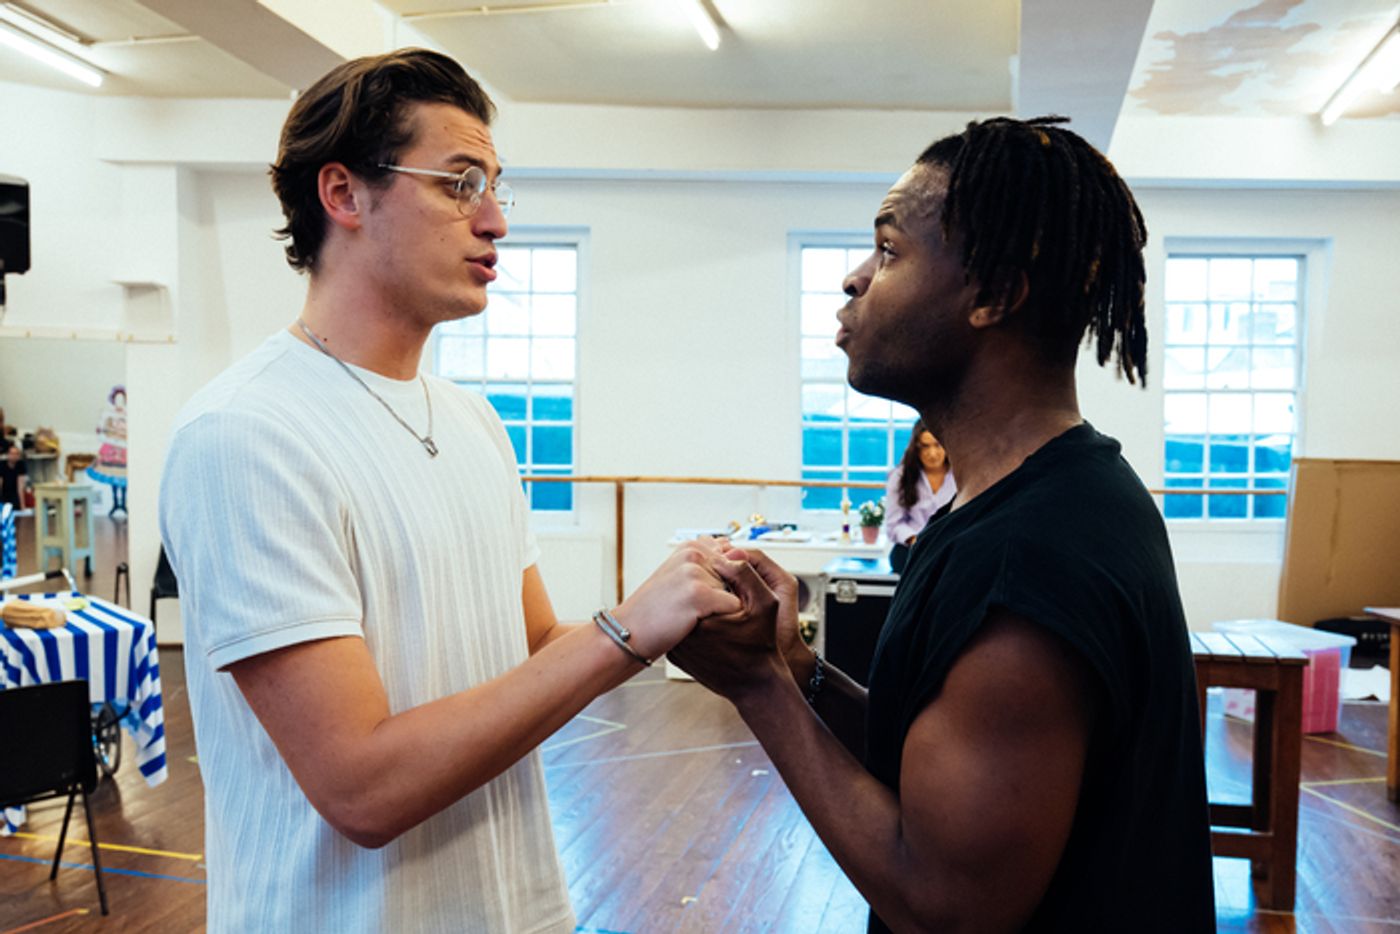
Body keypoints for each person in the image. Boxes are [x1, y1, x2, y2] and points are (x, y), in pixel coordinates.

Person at [159, 49, 743, 933]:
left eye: (497, 187)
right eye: (461, 184)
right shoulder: (246, 434)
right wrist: (626, 632)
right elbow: (363, 786)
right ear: (345, 194)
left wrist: (690, 613)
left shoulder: (474, 423)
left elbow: (539, 643)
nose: (498, 221)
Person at [670, 117, 1215, 931]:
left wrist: (754, 687)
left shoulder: (1034, 557)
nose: (856, 279)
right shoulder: (1019, 504)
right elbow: (929, 768)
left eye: (888, 251)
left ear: (994, 295)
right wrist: (796, 667)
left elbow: (945, 907)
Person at [883, 420, 954, 572]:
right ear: (916, 448)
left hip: (949, 548)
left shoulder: (960, 476)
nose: (932, 453)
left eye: (937, 445)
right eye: (925, 446)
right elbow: (893, 525)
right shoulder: (900, 476)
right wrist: (916, 540)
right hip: (911, 549)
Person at [0, 443, 26, 511]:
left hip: (15, 496)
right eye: (11, 453)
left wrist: (22, 505)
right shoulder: (2, 465)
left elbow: (20, 487)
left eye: (16, 454)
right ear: (8, 454)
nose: (13, 456)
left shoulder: (21, 465)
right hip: (4, 495)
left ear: (18, 456)